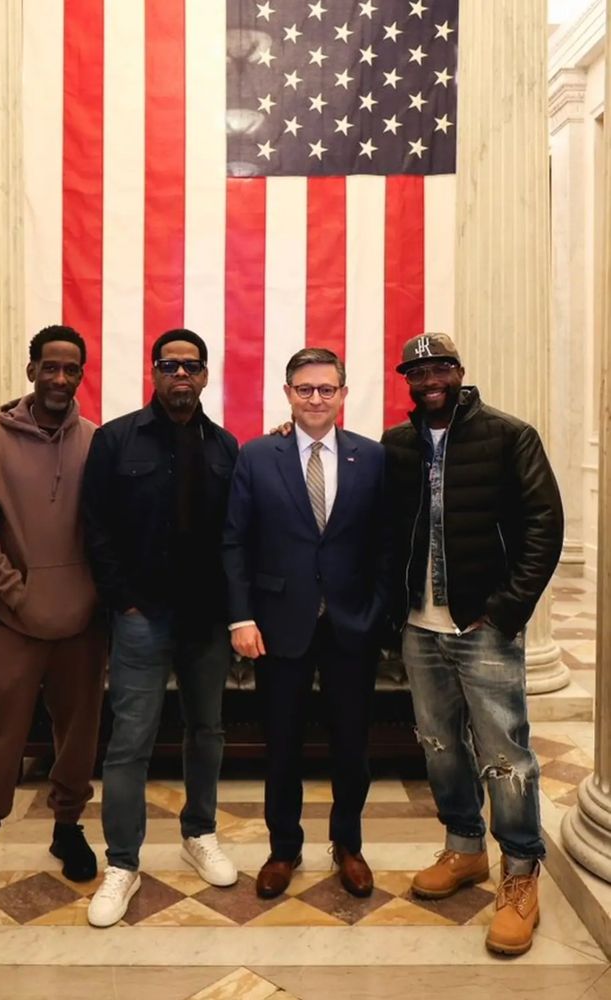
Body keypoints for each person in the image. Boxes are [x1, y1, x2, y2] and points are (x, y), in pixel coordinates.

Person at [381, 332, 563, 956]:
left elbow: (544, 524)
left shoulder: (509, 435)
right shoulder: (398, 444)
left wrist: (506, 610)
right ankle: (464, 848)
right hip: (420, 627)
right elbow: (382, 529)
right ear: (407, 380)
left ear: (459, 371)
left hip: (481, 627)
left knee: (505, 754)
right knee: (438, 746)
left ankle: (519, 873)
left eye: (440, 367)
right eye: (417, 371)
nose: (429, 379)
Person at [0, 325, 107, 910]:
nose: (60, 378)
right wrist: (16, 592)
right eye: (51, 367)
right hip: (13, 623)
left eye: (72, 369)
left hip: (83, 628)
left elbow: (111, 527)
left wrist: (96, 596)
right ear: (32, 368)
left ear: (81, 376)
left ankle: (68, 827)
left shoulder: (96, 441)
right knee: (0, 739)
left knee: (79, 736)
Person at [83, 329, 239, 928]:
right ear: (153, 372)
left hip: (206, 620)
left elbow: (236, 532)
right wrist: (123, 602)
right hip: (141, 617)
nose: (181, 374)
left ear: (204, 376)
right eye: (169, 365)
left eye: (192, 366)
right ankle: (122, 862)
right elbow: (95, 527)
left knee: (207, 731)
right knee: (130, 743)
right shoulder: (117, 438)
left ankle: (199, 833)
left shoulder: (225, 446)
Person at [223, 347, 390, 900]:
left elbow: (384, 546)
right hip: (276, 625)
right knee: (283, 746)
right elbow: (235, 541)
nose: (315, 398)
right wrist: (241, 616)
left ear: (343, 394)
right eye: (304, 389)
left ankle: (348, 844)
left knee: (351, 745)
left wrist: (378, 613)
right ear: (288, 393)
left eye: (326, 389)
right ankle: (283, 848)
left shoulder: (372, 457)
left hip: (351, 626)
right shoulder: (256, 455)